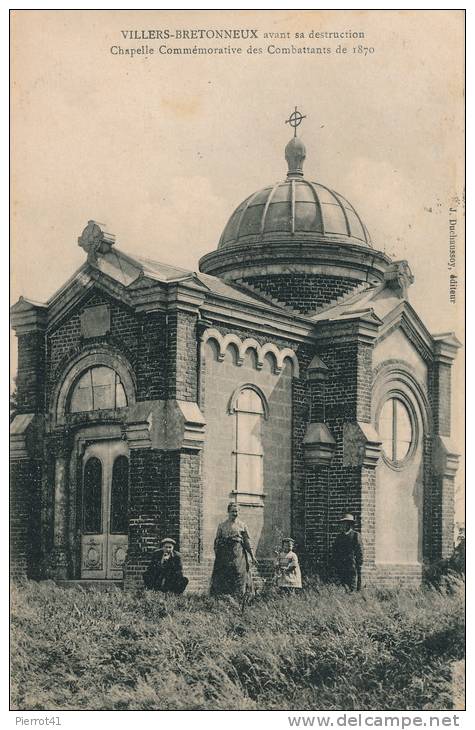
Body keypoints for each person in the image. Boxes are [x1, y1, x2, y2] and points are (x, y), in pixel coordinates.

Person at [210, 502, 257, 597]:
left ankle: (239, 597)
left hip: (238, 554)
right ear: (228, 512)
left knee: (239, 573)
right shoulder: (222, 525)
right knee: (224, 574)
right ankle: (223, 598)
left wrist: (252, 556)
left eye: (236, 511)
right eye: (232, 511)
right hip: (224, 555)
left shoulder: (242, 525)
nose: (235, 514)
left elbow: (247, 542)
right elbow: (217, 541)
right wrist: (217, 555)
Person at [331, 513, 363, 592]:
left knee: (352, 587)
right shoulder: (339, 537)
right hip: (341, 566)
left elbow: (359, 552)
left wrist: (357, 565)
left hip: (352, 566)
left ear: (350, 524)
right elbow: (335, 551)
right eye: (342, 523)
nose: (343, 525)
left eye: (345, 523)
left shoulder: (355, 535)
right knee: (342, 587)